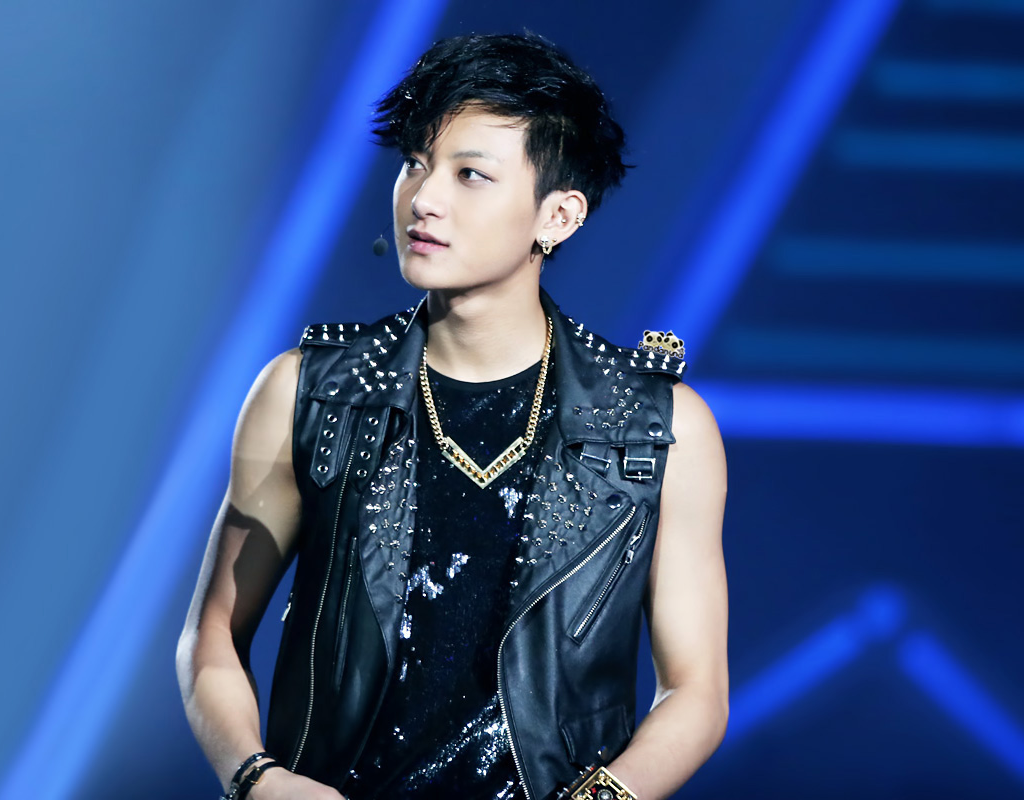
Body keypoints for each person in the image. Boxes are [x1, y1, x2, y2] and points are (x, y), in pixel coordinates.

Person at [176, 31, 728, 800]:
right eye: (414, 164)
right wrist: (258, 780)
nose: (424, 199)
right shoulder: (311, 393)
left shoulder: (656, 426)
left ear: (558, 216)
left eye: (471, 175)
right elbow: (212, 638)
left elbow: (696, 692)